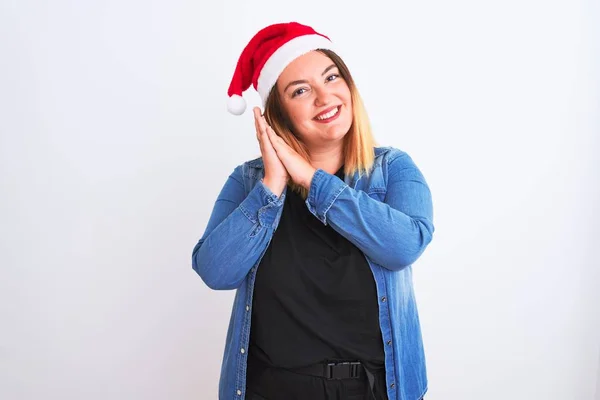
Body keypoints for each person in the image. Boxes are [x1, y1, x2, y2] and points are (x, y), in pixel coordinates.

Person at [192, 22, 435, 400]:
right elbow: (215, 271)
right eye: (301, 90)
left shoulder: (392, 170)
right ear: (279, 114)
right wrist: (271, 186)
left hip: (372, 390)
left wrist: (311, 179)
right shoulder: (248, 182)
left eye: (332, 77)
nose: (325, 97)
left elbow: (404, 247)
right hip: (270, 388)